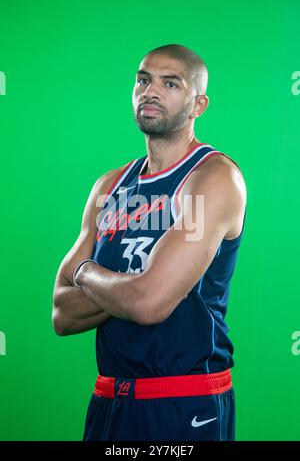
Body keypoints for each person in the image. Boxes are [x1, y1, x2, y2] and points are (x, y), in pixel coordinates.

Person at [52, 43, 247, 441]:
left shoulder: (209, 179)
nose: (150, 91)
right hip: (109, 400)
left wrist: (87, 272)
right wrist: (135, 285)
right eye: (143, 80)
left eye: (170, 83)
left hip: (183, 403)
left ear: (198, 105)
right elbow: (62, 313)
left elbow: (148, 304)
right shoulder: (110, 186)